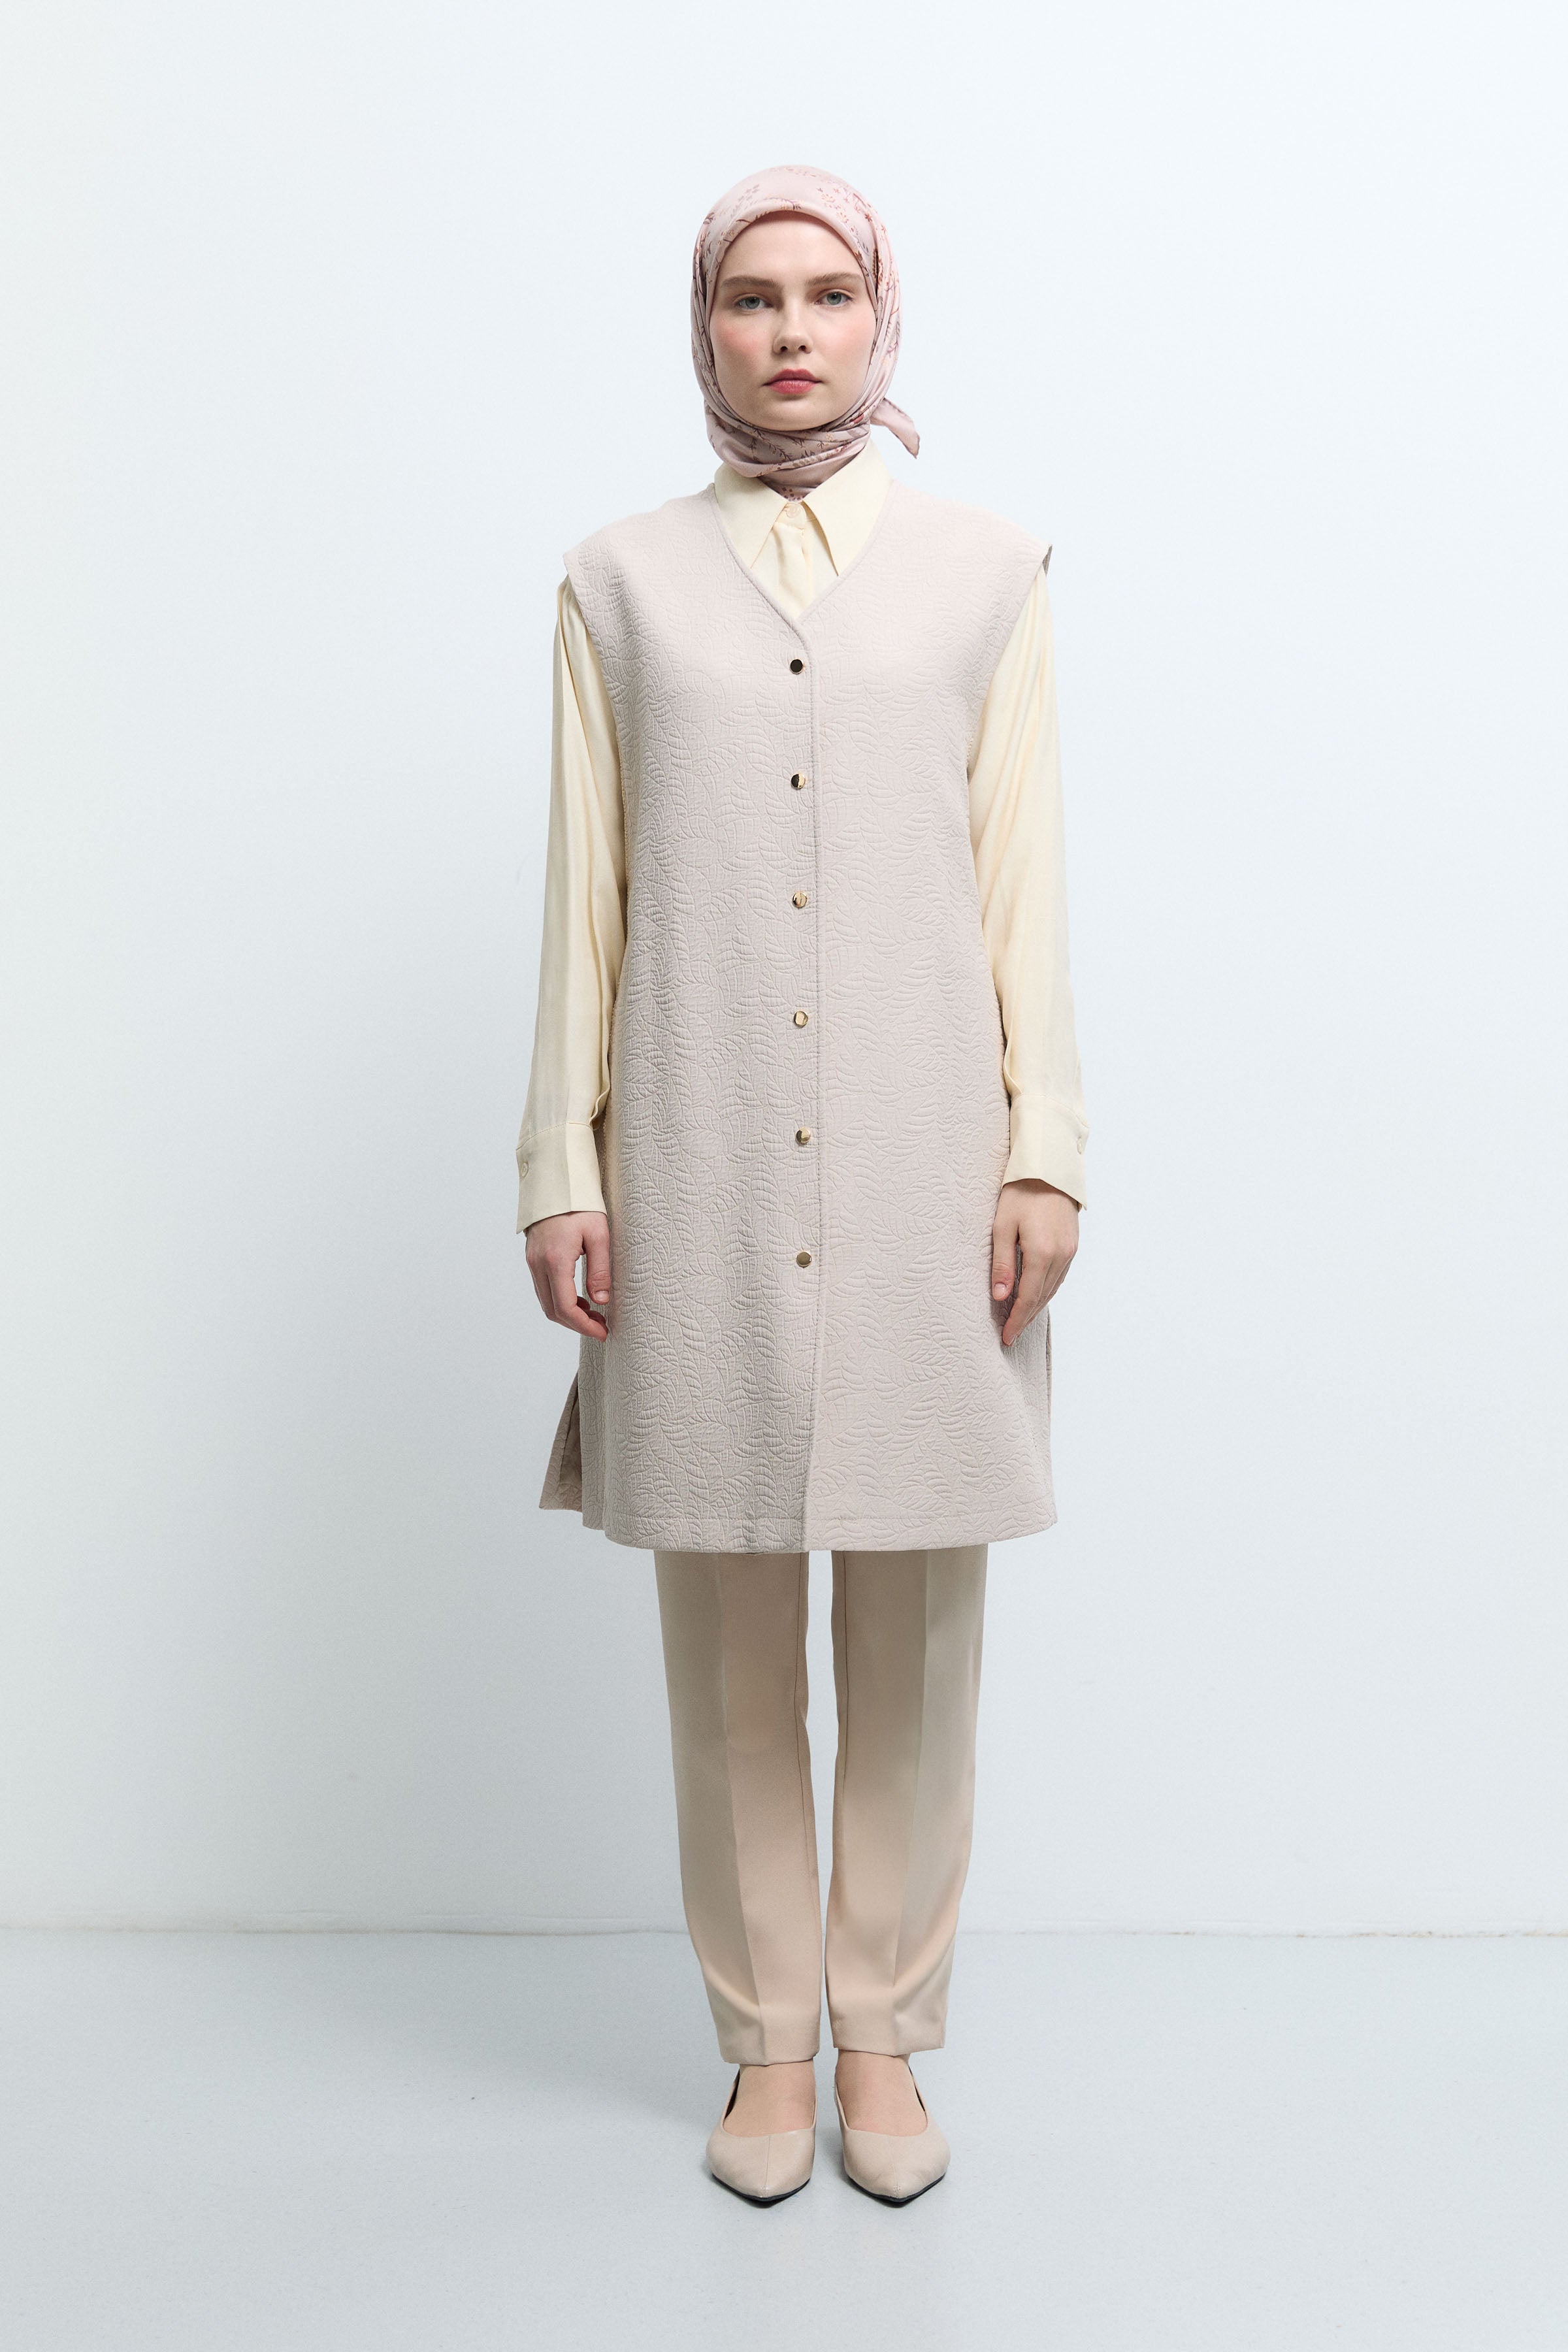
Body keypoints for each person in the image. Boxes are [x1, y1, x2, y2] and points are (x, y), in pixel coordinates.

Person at [516, 165, 1088, 2206]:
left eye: (825, 293)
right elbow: (585, 891)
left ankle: (885, 2039)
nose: (788, 330)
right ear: (704, 324)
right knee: (732, 1619)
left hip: (934, 1157)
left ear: (879, 317)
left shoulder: (987, 571)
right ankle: (767, 2046)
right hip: (691, 1147)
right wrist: (558, 1165)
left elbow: (1023, 878)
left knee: (918, 1618)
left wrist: (1046, 1149)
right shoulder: (618, 584)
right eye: (750, 296)